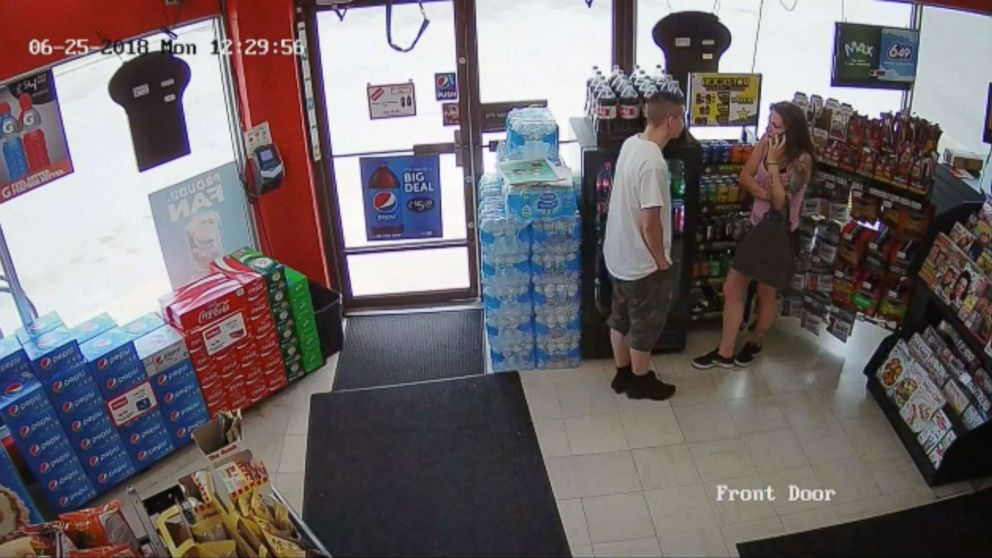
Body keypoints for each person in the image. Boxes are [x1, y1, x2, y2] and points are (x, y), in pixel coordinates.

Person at [693, 102, 814, 369]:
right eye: (769, 124)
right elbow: (745, 176)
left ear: (792, 130)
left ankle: (756, 340)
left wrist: (772, 164)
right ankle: (724, 351)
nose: (771, 130)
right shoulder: (764, 141)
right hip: (756, 228)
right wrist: (765, 193)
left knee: (765, 292)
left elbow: (782, 203)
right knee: (732, 287)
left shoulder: (802, 160)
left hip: (781, 236)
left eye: (777, 126)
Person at [604, 89, 686, 400]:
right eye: (682, 118)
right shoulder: (654, 163)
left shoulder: (631, 144)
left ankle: (622, 373)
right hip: (641, 262)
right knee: (645, 323)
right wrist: (661, 261)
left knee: (619, 316)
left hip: (617, 253)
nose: (683, 125)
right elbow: (651, 223)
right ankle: (641, 380)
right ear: (671, 120)